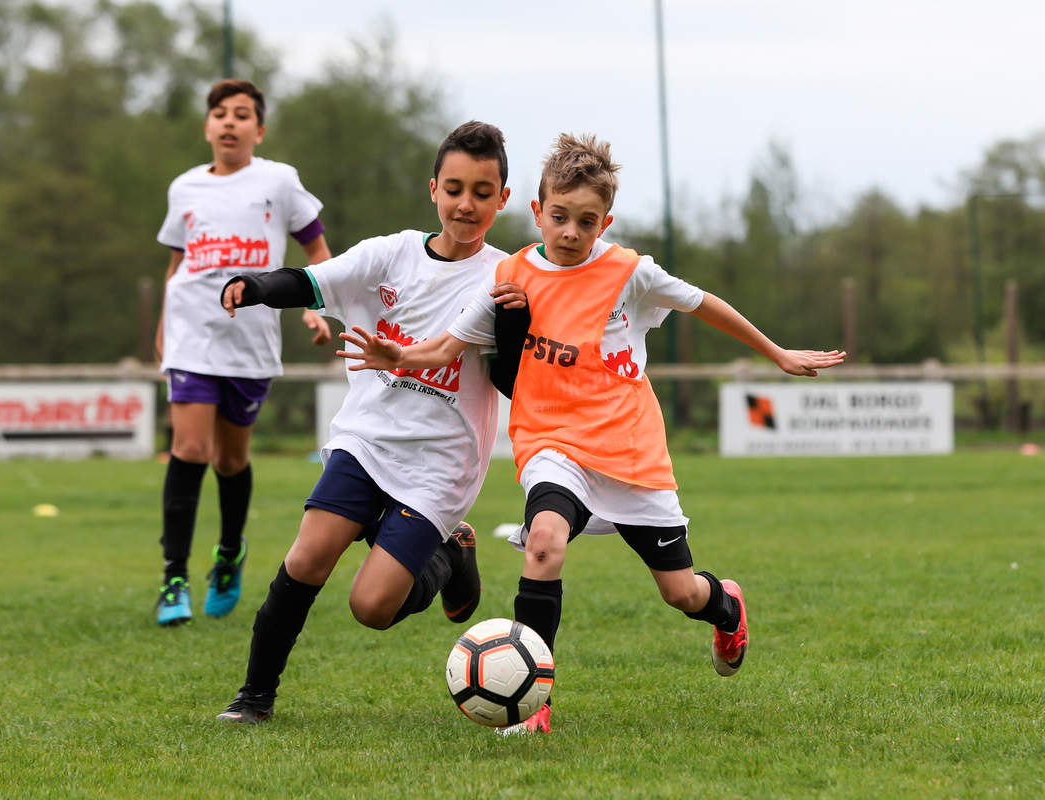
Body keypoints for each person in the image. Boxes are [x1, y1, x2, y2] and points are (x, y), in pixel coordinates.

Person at [339, 133, 846, 734]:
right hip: (552, 446)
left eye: (586, 221)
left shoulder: (629, 272)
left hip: (630, 451)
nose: (571, 233)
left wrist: (775, 351)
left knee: (680, 593)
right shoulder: (511, 274)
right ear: (536, 211)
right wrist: (397, 353)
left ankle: (725, 605)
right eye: (559, 218)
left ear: (605, 220)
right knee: (544, 542)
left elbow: (705, 304)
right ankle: (534, 705)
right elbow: (449, 344)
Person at [213, 121, 529, 724]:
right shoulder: (390, 254)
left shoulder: (510, 279)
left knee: (372, 606)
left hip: (439, 464)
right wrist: (253, 285)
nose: (466, 205)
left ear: (502, 200)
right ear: (433, 188)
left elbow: (512, 383)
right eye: (455, 188)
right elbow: (309, 282)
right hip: (367, 440)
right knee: (307, 559)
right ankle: (254, 698)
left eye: (482, 193)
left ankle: (451, 552)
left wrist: (513, 327)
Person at [153, 79, 333, 626]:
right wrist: (164, 327)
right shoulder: (183, 188)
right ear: (207, 126)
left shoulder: (278, 181)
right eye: (220, 114)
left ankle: (229, 553)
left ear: (259, 129)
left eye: (242, 115)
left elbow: (317, 247)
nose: (229, 123)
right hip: (190, 336)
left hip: (249, 342)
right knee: (189, 449)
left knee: (231, 460)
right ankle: (173, 579)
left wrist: (313, 304)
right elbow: (175, 267)